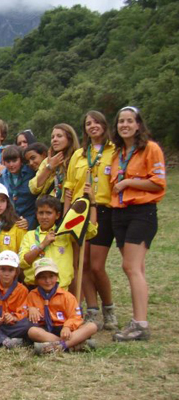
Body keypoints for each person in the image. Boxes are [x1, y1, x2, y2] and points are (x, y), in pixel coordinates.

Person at [109, 106, 165, 341]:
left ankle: (140, 324)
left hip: (141, 211)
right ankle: (137, 320)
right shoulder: (117, 152)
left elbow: (158, 182)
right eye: (121, 121)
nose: (124, 125)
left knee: (131, 267)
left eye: (129, 121)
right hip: (119, 212)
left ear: (138, 125)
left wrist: (128, 182)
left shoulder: (150, 148)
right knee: (134, 268)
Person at [63, 110, 117, 330]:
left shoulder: (114, 150)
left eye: (96, 122)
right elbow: (68, 188)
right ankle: (92, 310)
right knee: (82, 264)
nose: (92, 126)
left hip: (103, 209)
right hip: (79, 212)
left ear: (104, 125)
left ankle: (109, 308)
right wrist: (66, 215)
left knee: (96, 265)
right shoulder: (79, 154)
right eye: (88, 123)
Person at [20, 194, 97, 291]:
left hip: (60, 290)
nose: (44, 217)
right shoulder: (29, 235)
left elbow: (91, 231)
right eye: (41, 213)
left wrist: (93, 203)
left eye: (49, 213)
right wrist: (43, 244)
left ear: (57, 215)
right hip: (34, 289)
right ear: (36, 214)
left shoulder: (66, 233)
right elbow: (23, 262)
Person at [26, 258, 98, 355]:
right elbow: (25, 312)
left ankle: (57, 346)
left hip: (66, 331)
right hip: (47, 331)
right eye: (43, 277)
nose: (47, 281)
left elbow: (76, 317)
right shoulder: (32, 295)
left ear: (57, 277)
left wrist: (67, 327)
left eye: (51, 276)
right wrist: (30, 308)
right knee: (32, 331)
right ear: (36, 279)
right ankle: (73, 345)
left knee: (91, 326)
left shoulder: (67, 296)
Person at [30, 124, 80, 210]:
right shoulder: (47, 161)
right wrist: (49, 167)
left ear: (70, 139)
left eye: (59, 136)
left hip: (70, 207)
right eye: (52, 137)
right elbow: (34, 188)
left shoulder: (78, 159)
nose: (55, 140)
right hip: (48, 208)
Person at [0, 146, 37, 228]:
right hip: (12, 218)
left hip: (30, 217)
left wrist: (30, 220)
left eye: (14, 161)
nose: (11, 165)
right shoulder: (3, 176)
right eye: (8, 161)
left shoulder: (31, 173)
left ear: (21, 160)